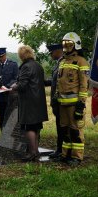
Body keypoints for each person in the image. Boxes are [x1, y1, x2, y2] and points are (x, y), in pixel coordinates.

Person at [56, 32, 89, 166]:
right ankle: (66, 154)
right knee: (65, 130)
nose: (66, 47)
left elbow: (84, 85)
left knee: (76, 130)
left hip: (75, 104)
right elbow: (59, 82)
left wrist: (81, 104)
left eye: (69, 44)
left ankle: (77, 156)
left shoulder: (81, 62)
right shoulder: (62, 62)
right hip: (62, 103)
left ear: (76, 45)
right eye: (64, 44)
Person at [11, 45, 48, 162]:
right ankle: (36, 151)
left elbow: (22, 85)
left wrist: (14, 86)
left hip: (29, 101)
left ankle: (31, 153)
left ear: (21, 55)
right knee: (36, 126)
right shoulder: (38, 66)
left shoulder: (26, 67)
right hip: (39, 101)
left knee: (29, 127)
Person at [0, 47, 18, 131]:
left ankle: (11, 138)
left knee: (11, 117)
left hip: (11, 95)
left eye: (1, 56)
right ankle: (3, 137)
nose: (0, 58)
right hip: (0, 96)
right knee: (2, 116)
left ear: (5, 55)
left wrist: (8, 87)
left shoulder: (13, 65)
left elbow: (16, 78)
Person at [46, 44, 63, 159]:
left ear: (58, 51)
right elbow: (54, 81)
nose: (51, 55)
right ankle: (59, 149)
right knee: (59, 126)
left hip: (62, 101)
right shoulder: (59, 63)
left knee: (62, 127)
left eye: (52, 52)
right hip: (57, 101)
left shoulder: (64, 63)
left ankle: (61, 150)